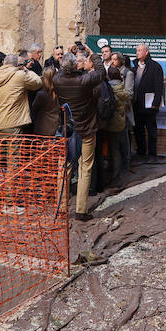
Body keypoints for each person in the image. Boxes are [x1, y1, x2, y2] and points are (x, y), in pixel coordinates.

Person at [54, 53, 104, 220]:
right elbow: (101, 72)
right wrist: (94, 55)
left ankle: (61, 207)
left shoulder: (57, 80)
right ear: (76, 66)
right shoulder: (83, 81)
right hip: (86, 128)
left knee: (65, 166)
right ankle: (81, 210)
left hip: (67, 128)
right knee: (85, 167)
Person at [0, 53, 42, 134]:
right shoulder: (20, 75)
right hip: (14, 124)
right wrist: (25, 69)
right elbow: (38, 82)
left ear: (4, 63)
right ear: (16, 64)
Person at [133, 43, 165, 160]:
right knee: (138, 129)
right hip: (137, 103)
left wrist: (155, 104)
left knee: (151, 129)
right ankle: (141, 151)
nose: (137, 53)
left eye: (140, 50)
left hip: (150, 104)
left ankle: (152, 153)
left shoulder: (155, 67)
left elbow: (159, 86)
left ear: (146, 52)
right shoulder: (134, 65)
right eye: (137, 51)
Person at [103, 66, 131, 185]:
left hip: (109, 122)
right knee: (117, 147)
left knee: (112, 148)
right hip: (120, 121)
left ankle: (114, 174)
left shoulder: (108, 88)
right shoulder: (121, 88)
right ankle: (117, 171)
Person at [31, 66, 61, 138]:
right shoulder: (60, 91)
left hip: (43, 128)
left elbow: (34, 108)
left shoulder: (41, 94)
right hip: (56, 126)